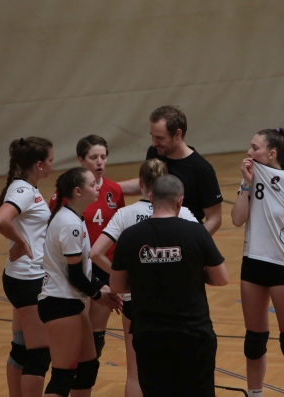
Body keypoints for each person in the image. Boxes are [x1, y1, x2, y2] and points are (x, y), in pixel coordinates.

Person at [110, 175, 228, 397]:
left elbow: (116, 285)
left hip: (149, 334)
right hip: (193, 334)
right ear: (180, 200)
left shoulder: (130, 235)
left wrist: (146, 279)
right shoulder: (196, 232)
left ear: (151, 197)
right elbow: (221, 278)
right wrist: (192, 275)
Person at [90, 158, 197, 397]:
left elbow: (95, 253)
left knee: (135, 373)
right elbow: (202, 249)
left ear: (140, 183)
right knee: (175, 368)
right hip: (176, 301)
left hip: (136, 300)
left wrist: (123, 278)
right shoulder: (183, 213)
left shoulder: (124, 214)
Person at [230, 128, 284, 397]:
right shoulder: (251, 177)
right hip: (252, 264)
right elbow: (237, 219)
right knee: (254, 342)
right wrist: (246, 183)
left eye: (255, 147)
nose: (249, 152)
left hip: (283, 267)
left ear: (271, 153)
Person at [38, 167, 122, 397]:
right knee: (63, 376)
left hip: (70, 301)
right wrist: (98, 295)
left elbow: (83, 270)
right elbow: (74, 275)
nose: (98, 187)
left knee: (87, 367)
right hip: (60, 303)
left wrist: (101, 286)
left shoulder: (76, 217)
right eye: (92, 185)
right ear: (78, 191)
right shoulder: (70, 224)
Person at [48, 135, 125, 361]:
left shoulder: (114, 190)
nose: (100, 162)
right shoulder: (67, 193)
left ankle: (87, 370)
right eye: (93, 157)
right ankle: (71, 370)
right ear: (81, 160)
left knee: (96, 331)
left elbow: (120, 227)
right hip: (77, 268)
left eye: (103, 157)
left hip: (105, 265)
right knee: (78, 329)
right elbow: (52, 229)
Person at [0, 137, 54, 397]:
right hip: (28, 280)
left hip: (21, 277)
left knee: (21, 348)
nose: (52, 164)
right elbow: (0, 220)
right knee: (38, 354)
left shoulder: (26, 187)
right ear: (39, 164)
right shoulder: (24, 190)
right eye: (50, 160)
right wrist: (20, 242)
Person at [118, 105, 223, 234]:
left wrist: (193, 241)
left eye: (160, 138)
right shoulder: (154, 152)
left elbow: (215, 219)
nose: (154, 143)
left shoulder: (202, 169)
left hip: (184, 234)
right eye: (152, 136)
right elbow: (145, 183)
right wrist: (108, 187)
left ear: (177, 134)